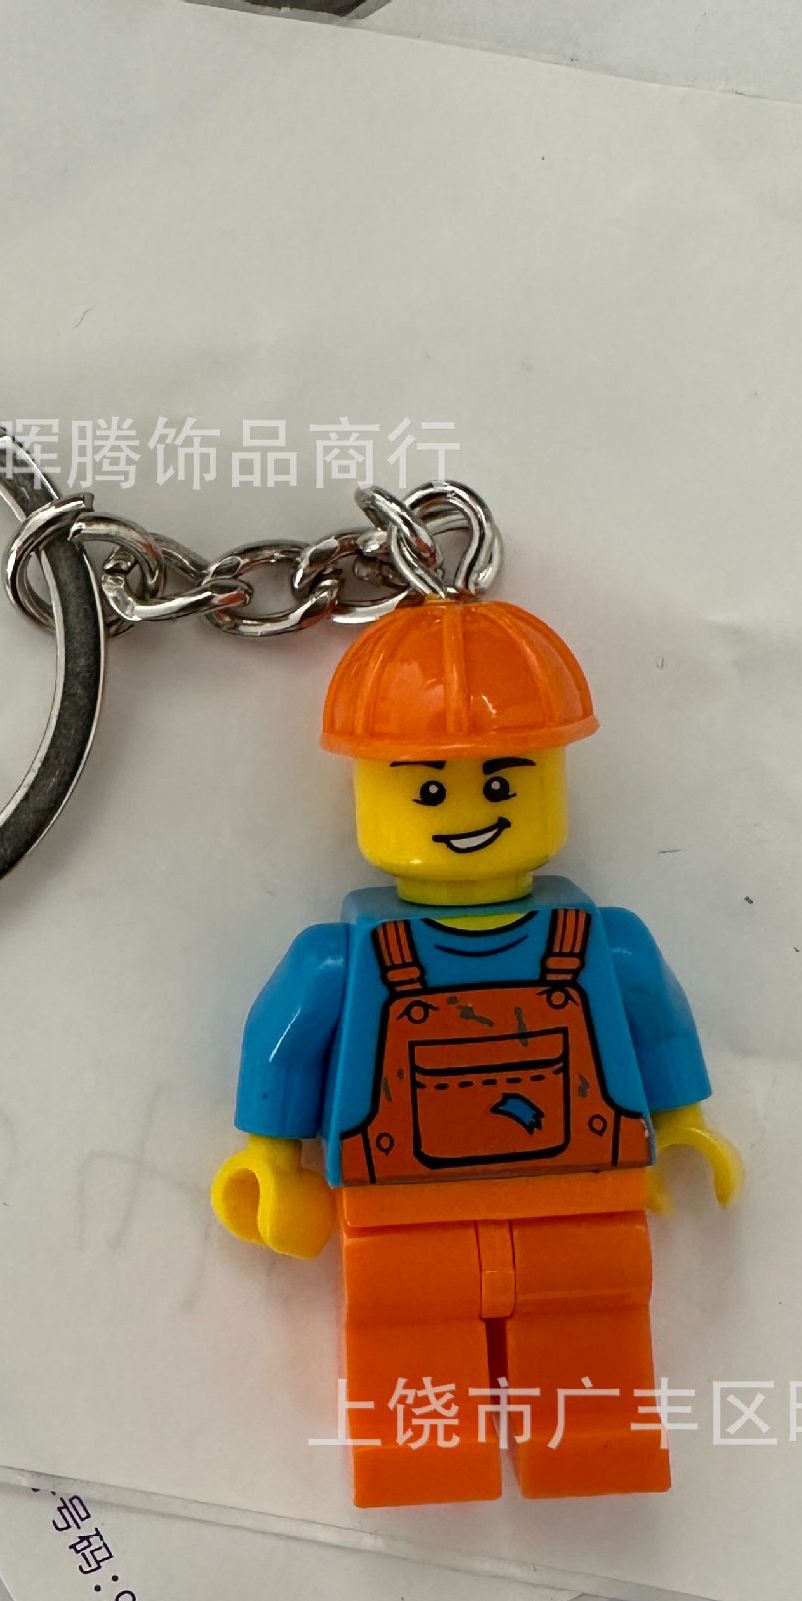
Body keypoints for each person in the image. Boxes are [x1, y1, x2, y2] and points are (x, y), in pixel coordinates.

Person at [213, 597, 741, 1506]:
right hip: (399, 1204)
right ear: (372, 789)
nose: (468, 810)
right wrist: (269, 1157)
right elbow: (283, 1047)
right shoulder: (340, 957)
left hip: (583, 1193)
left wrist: (684, 1122)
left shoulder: (603, 941)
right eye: (428, 790)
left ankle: (592, 1445)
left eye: (503, 783)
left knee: (592, 1326)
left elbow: (657, 1023)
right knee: (406, 1329)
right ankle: (422, 1455)